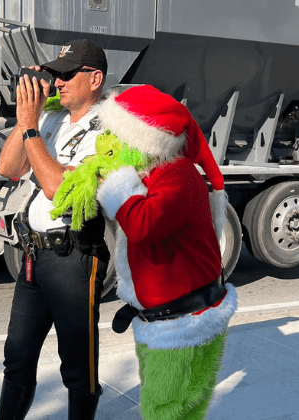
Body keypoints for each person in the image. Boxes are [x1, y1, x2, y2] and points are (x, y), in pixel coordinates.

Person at [54, 84, 237, 420]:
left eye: (116, 135)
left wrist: (117, 180)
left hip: (183, 325)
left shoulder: (178, 175)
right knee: (176, 411)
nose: (109, 143)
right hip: (172, 320)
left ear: (143, 140)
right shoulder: (156, 174)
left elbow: (142, 224)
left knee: (164, 412)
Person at [0, 39, 109, 420]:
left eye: (67, 74)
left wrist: (30, 127)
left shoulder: (108, 129)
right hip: (33, 254)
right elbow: (8, 168)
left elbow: (58, 189)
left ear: (95, 79)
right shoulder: (50, 117)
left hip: (74, 256)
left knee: (78, 366)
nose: (57, 82)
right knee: (17, 356)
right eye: (55, 73)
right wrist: (29, 118)